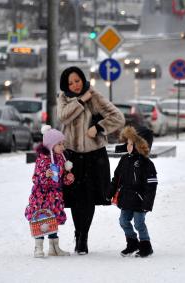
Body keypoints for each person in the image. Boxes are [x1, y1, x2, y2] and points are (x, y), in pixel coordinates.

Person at [57, 66, 125, 255]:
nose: (75, 85)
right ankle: (78, 233)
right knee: (74, 198)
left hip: (94, 155)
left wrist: (99, 128)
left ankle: (82, 238)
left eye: (77, 81)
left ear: (83, 79)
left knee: (87, 199)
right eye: (70, 83)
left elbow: (118, 117)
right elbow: (63, 117)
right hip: (71, 156)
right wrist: (80, 101)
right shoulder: (63, 98)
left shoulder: (94, 95)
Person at [107, 126, 158, 258]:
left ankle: (146, 246)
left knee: (139, 223)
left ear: (140, 145)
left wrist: (147, 203)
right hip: (126, 198)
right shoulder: (125, 159)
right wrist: (110, 192)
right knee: (123, 221)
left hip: (140, 200)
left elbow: (151, 186)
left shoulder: (147, 164)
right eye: (127, 143)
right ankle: (132, 243)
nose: (128, 146)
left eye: (131, 144)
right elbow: (117, 177)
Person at [25, 125, 75, 258]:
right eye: (59, 144)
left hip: (55, 196)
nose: (62, 147)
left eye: (63, 144)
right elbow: (35, 178)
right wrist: (45, 175)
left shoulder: (60, 158)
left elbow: (60, 178)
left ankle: (54, 247)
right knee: (41, 220)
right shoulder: (43, 159)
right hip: (41, 196)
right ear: (51, 145)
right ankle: (38, 247)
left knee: (53, 219)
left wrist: (68, 178)